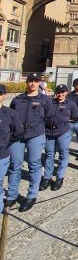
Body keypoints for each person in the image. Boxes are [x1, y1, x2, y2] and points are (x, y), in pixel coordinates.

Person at [7, 73, 53, 212]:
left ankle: (31, 195)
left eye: (36, 81)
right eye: (30, 81)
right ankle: (12, 196)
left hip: (35, 135)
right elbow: (11, 116)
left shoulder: (44, 99)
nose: (33, 83)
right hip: (18, 136)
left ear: (39, 83)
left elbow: (49, 117)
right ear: (27, 82)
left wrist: (38, 128)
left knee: (34, 164)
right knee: (15, 165)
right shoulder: (17, 99)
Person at [40, 84, 78, 192]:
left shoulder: (71, 104)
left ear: (66, 92)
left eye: (62, 92)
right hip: (49, 132)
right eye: (58, 92)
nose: (60, 94)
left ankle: (59, 178)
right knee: (49, 155)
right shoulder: (50, 102)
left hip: (63, 132)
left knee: (63, 155)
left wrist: (63, 122)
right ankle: (47, 178)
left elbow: (74, 117)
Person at [0, 84, 24, 215]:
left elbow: (18, 132)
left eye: (0, 93)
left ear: (4, 95)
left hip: (1, 155)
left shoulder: (10, 113)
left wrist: (5, 143)